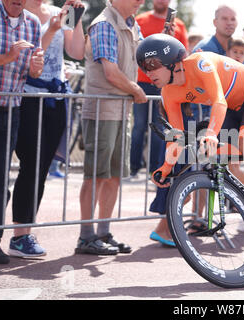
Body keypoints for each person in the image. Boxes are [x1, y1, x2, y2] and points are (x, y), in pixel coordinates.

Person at [137, 34, 244, 242]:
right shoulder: (168, 92)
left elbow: (218, 101)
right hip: (233, 109)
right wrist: (166, 166)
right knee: (228, 165)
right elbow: (177, 135)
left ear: (172, 61)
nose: (147, 72)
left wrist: (210, 133)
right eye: (143, 67)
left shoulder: (200, 63)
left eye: (152, 65)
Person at [7, 0, 85, 259]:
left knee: (39, 167)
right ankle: (17, 233)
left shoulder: (57, 13)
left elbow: (76, 51)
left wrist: (77, 16)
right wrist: (51, 30)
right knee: (27, 164)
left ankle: (23, 234)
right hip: (24, 97)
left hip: (55, 97)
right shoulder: (16, 12)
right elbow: (28, 57)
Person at [76, 0, 146, 255]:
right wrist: (137, 90)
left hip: (119, 110)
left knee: (114, 174)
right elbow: (111, 73)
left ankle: (102, 232)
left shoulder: (131, 25)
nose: (141, 1)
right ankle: (86, 236)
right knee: (96, 175)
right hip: (102, 109)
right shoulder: (105, 24)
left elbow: (141, 62)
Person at [0, 0, 44, 264]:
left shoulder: (33, 23)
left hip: (11, 110)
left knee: (0, 182)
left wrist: (36, 65)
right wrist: (8, 56)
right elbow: (12, 58)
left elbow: (32, 71)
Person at [130, 0, 188, 177]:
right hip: (142, 81)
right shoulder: (140, 19)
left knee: (159, 127)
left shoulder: (179, 25)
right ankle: (133, 167)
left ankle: (153, 169)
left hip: (165, 84)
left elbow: (184, 54)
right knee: (139, 125)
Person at [192, 4, 238, 120]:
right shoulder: (205, 48)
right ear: (215, 22)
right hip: (203, 112)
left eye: (233, 19)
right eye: (224, 18)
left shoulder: (238, 50)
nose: (229, 23)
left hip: (225, 111)